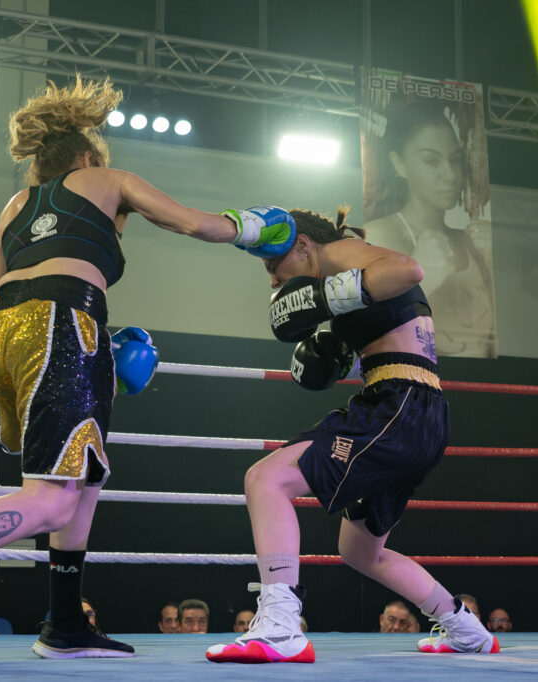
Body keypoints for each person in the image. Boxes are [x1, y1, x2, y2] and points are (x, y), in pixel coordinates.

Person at [0, 74, 293, 669]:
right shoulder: (107, 178)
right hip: (62, 326)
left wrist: (84, 343)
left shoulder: (15, 206)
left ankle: (65, 623)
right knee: (50, 500)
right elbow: (193, 223)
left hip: (6, 335)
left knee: (86, 476)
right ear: (86, 155)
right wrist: (257, 227)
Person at [207, 207, 498, 664]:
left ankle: (281, 626)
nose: (271, 280)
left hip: (397, 405)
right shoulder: (349, 279)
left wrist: (321, 298)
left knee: (267, 479)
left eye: (272, 264)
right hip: (415, 410)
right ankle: (466, 628)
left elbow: (409, 269)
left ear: (303, 245)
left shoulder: (340, 254)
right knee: (360, 551)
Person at [364, 101, 496, 359]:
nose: (449, 174)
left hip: (481, 386)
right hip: (412, 381)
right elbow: (369, 325)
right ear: (399, 165)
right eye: (431, 161)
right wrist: (420, 276)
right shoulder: (380, 235)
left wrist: (490, 263)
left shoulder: (472, 242)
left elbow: (488, 342)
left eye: (455, 160)